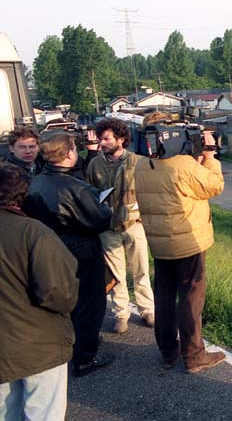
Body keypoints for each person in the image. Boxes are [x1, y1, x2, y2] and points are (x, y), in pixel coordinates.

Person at [134, 111, 226, 374]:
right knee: (190, 297)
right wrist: (209, 156)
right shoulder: (182, 165)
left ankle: (168, 351)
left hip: (159, 242)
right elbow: (214, 186)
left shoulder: (140, 164)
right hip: (187, 240)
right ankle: (194, 355)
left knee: (163, 296)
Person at [23, 132, 115, 377]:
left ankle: (72, 343)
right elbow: (100, 220)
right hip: (80, 249)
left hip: (49, 248)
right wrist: (104, 206)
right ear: (68, 154)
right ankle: (85, 357)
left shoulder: (36, 182)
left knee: (63, 302)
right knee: (89, 303)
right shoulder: (76, 187)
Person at [0, 164, 79, 421]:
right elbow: (59, 292)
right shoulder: (33, 232)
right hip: (38, 344)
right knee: (44, 413)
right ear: (24, 194)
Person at [86, 118, 155, 335]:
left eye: (106, 139)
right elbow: (89, 192)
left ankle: (147, 310)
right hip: (107, 226)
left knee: (141, 269)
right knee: (116, 274)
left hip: (134, 223)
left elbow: (149, 191)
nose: (102, 143)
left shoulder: (137, 161)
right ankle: (121, 314)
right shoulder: (94, 164)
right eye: (100, 139)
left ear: (121, 139)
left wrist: (142, 218)